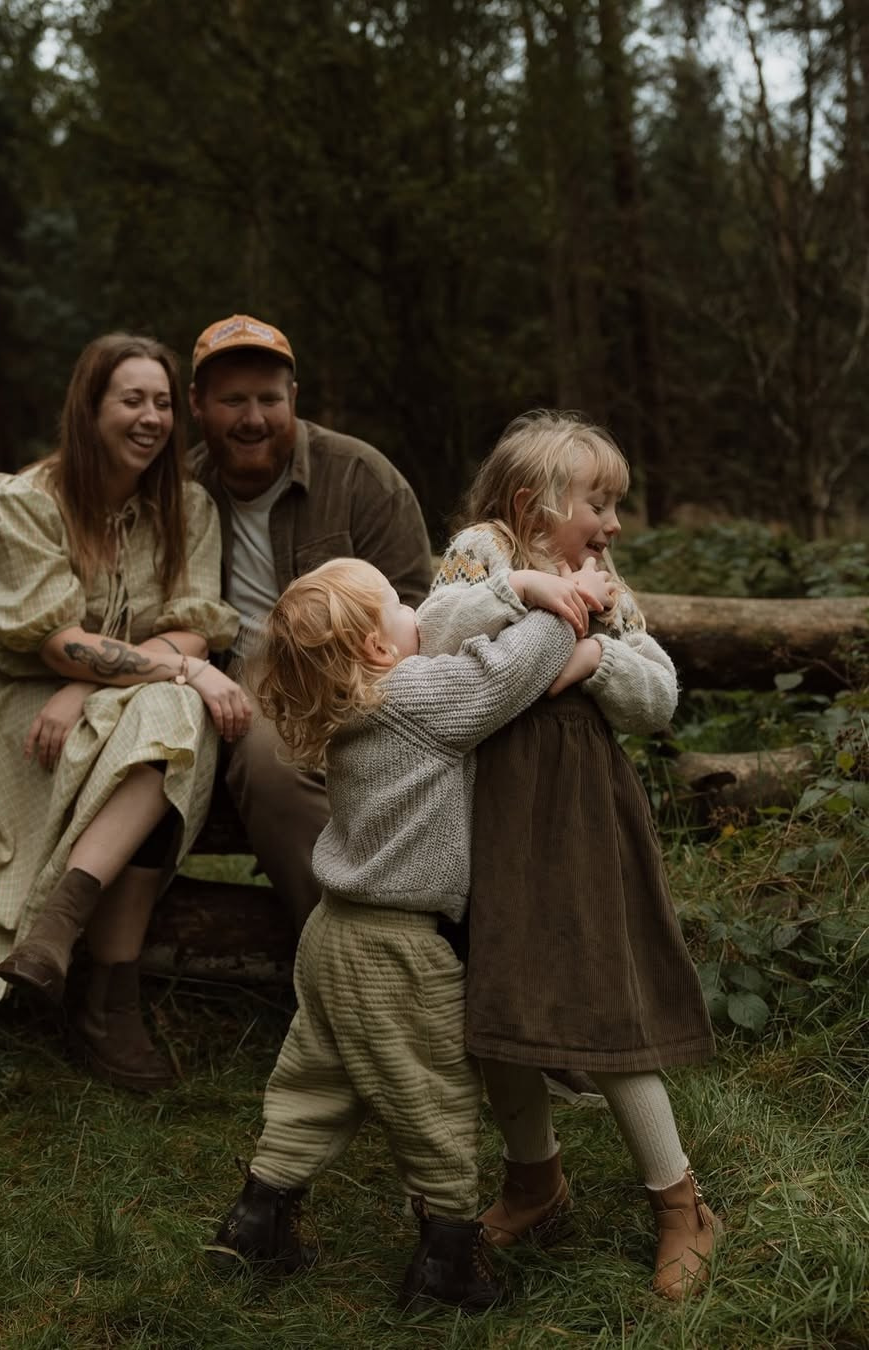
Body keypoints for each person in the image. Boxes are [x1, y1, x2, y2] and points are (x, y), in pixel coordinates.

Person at [209, 555, 616, 1312]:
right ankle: (447, 1266)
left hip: (333, 937)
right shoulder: (413, 694)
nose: (415, 609)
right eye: (397, 604)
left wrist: (513, 584)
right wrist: (568, 604)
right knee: (433, 1096)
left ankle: (256, 1219)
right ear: (375, 648)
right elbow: (505, 675)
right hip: (398, 947)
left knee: (315, 1080)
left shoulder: (348, 709)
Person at [419, 410, 721, 1300]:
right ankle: (534, 1181)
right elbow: (432, 632)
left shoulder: (606, 582)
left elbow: (659, 695)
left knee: (604, 994)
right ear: (531, 504)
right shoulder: (482, 554)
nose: (616, 524)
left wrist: (594, 655)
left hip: (584, 811)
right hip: (491, 811)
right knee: (497, 995)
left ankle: (681, 1205)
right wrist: (525, 591)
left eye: (617, 505)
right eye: (600, 502)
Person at [0, 333, 251, 1094]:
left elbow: (190, 624)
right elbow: (51, 643)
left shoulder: (186, 508)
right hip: (23, 708)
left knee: (175, 716)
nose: (151, 419)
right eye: (131, 400)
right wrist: (167, 667)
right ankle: (109, 997)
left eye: (164, 403)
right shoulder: (22, 501)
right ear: (90, 406)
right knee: (180, 703)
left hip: (117, 697)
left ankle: (61, 936)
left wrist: (107, 676)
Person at [187, 314, 433, 934]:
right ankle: (334, 949)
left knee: (273, 759)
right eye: (233, 400)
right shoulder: (181, 493)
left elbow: (416, 607)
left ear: (293, 398)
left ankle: (372, 944)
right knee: (266, 758)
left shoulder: (360, 477)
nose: (253, 418)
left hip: (353, 679)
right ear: (197, 405)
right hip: (212, 684)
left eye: (269, 398)